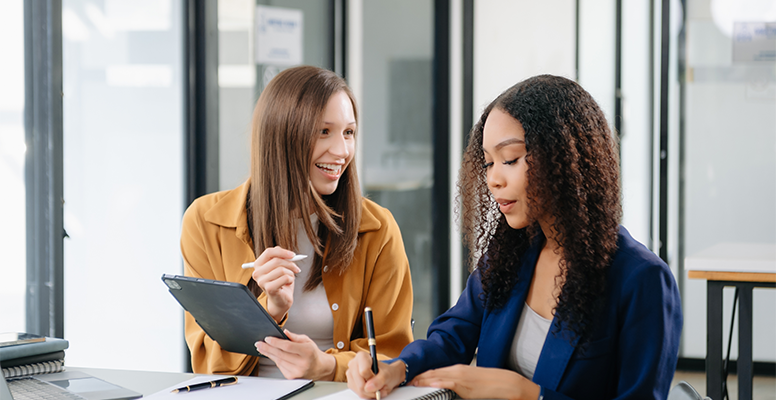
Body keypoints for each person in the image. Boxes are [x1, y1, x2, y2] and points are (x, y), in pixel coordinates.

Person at [347, 74, 682, 399]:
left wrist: (526, 395)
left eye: (509, 159)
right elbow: (452, 336)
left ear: (564, 158)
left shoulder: (643, 280)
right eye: (489, 163)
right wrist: (398, 367)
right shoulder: (512, 252)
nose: (494, 178)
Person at [180, 65, 414, 381]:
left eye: (349, 132)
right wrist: (269, 310)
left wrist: (328, 367)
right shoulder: (207, 222)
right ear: (282, 135)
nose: (342, 151)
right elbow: (207, 364)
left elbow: (394, 353)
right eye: (323, 131)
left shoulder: (377, 229)